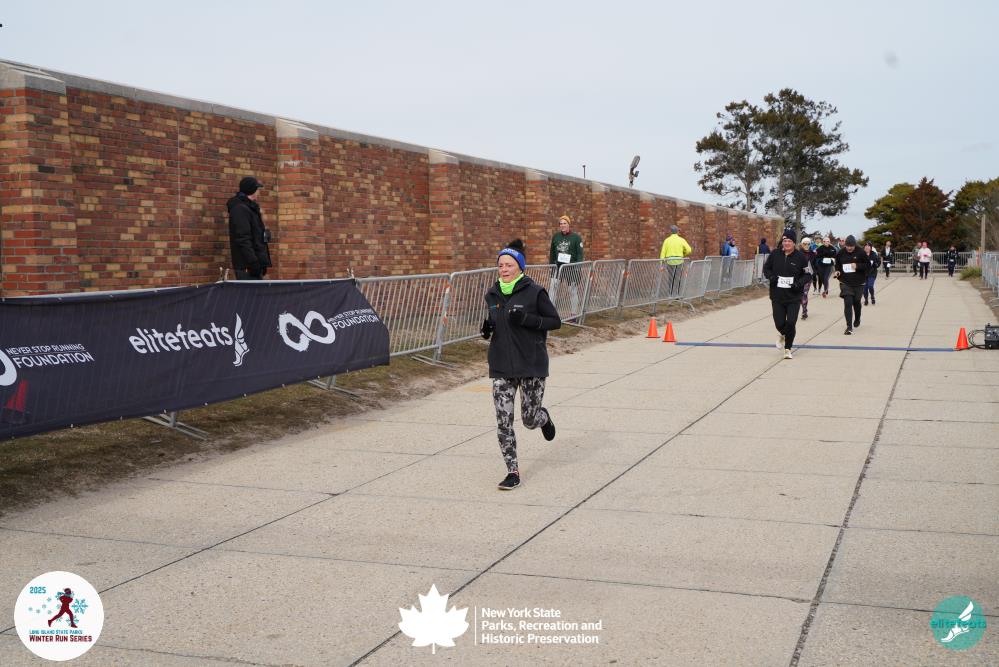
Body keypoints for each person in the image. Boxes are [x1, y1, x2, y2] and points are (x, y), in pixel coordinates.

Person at [481, 239, 561, 490]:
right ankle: (512, 471)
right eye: (501, 265)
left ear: (520, 267)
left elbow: (554, 321)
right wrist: (487, 329)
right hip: (501, 365)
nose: (504, 269)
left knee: (528, 419)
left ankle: (543, 418)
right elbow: (495, 323)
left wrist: (526, 318)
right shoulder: (492, 294)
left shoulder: (534, 292)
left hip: (531, 364)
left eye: (509, 265)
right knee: (503, 421)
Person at [763, 229, 808, 360]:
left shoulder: (801, 257)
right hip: (777, 296)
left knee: (791, 322)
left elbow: (808, 275)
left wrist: (798, 284)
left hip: (794, 296)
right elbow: (766, 268)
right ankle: (783, 335)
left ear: (794, 243)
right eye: (785, 241)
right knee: (779, 323)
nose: (787, 243)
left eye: (789, 241)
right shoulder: (775, 254)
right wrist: (771, 277)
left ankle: (788, 349)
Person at [227, 176, 272, 280]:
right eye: (257, 189)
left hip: (255, 265)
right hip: (247, 267)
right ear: (252, 190)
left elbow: (256, 236)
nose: (258, 192)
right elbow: (243, 239)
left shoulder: (251, 208)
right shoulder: (240, 209)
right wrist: (253, 263)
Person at [834, 235, 871, 335]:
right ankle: (849, 327)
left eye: (852, 246)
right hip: (845, 282)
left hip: (859, 282)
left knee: (856, 302)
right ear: (845, 245)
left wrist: (858, 265)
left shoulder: (861, 252)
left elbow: (868, 265)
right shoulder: (841, 253)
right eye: (848, 246)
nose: (849, 248)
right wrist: (837, 271)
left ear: (855, 245)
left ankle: (857, 318)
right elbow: (837, 264)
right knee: (848, 302)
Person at [549, 215, 584, 315]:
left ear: (568, 224)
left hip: (571, 268)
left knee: (572, 291)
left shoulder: (576, 238)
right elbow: (552, 252)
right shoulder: (556, 236)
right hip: (558, 267)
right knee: (552, 290)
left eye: (564, 223)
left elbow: (580, 254)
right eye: (561, 223)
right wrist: (551, 266)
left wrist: (578, 267)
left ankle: (574, 314)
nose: (562, 225)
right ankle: (550, 313)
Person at [659, 224, 693, 295]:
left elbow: (663, 253)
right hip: (679, 261)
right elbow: (689, 250)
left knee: (671, 278)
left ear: (670, 232)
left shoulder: (666, 240)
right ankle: (677, 294)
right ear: (677, 231)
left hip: (669, 261)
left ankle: (670, 293)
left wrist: (661, 264)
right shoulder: (681, 240)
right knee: (677, 278)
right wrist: (683, 254)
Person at [799, 238, 815, 319]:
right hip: (799, 277)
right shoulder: (797, 253)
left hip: (808, 277)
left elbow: (815, 265)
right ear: (801, 244)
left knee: (804, 294)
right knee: (799, 295)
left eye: (808, 244)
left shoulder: (813, 254)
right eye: (805, 244)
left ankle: (804, 312)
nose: (806, 245)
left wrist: (814, 272)